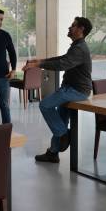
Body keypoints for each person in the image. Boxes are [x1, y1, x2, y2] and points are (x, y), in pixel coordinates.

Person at [23, 16, 93, 163]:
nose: (70, 28)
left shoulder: (80, 48)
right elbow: (62, 58)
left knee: (45, 105)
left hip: (76, 91)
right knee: (60, 120)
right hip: (71, 89)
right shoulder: (77, 46)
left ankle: (64, 135)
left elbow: (62, 64)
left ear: (81, 29)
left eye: (73, 26)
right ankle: (53, 153)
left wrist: (37, 65)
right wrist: (40, 61)